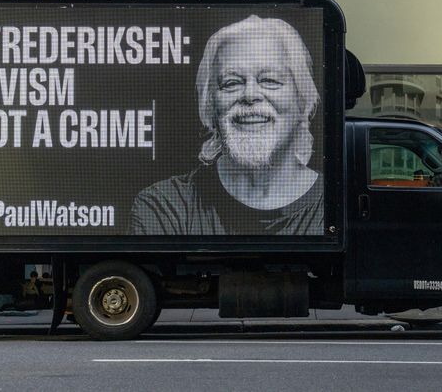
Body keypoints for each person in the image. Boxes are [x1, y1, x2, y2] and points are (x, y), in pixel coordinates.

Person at [130, 15, 323, 236]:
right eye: (231, 83)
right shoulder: (164, 205)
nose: (250, 95)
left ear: (303, 100)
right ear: (210, 106)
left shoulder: (334, 204)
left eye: (269, 80)